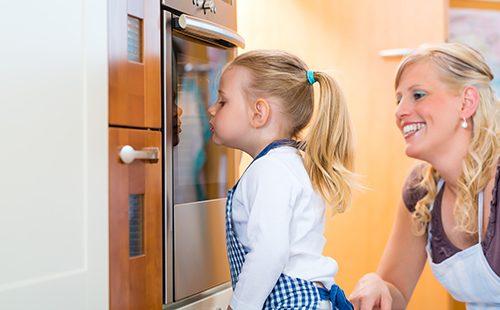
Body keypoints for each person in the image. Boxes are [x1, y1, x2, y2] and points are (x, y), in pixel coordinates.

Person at [349, 43, 499, 309]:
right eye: (398, 100)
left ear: (466, 103)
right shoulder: (421, 190)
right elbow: (395, 291)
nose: (399, 112)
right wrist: (378, 285)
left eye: (418, 95)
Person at [208, 50, 356, 310]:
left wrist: (238, 307)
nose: (211, 108)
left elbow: (270, 252)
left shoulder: (269, 170)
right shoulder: (291, 163)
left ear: (259, 113)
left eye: (222, 101)